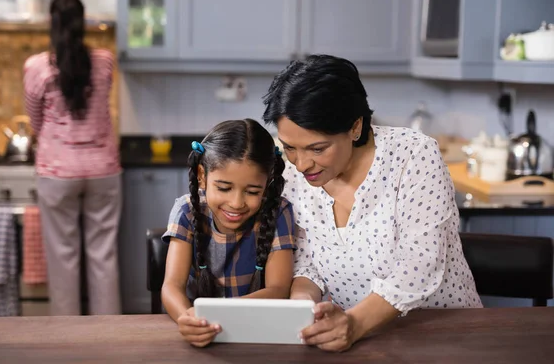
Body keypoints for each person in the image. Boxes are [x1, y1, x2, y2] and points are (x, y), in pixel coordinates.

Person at [262, 55, 482, 352]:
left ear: (355, 127)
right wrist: (303, 309)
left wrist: (355, 323)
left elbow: (420, 263)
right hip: (357, 343)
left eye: (317, 148)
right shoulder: (291, 176)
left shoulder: (413, 156)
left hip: (443, 335)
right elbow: (306, 261)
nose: (301, 164)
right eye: (289, 147)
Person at [23, 0, 122, 315]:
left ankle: (67, 340)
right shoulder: (105, 61)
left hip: (58, 171)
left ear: (52, 24)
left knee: (63, 258)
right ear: (84, 22)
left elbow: (36, 121)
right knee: (103, 256)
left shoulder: (36, 67)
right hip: (103, 170)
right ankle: (107, 337)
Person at [161, 119, 296, 347]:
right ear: (202, 176)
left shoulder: (278, 212)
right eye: (224, 188)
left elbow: (279, 288)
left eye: (253, 191)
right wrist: (186, 318)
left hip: (259, 333)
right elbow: (172, 286)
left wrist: (227, 316)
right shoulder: (186, 211)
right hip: (203, 331)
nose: (236, 203)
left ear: (267, 183)